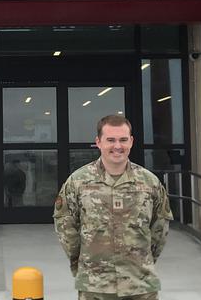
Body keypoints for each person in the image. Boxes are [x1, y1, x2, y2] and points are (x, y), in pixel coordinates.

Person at [53, 115, 173, 300]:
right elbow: (66, 229)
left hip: (140, 286)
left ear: (131, 142)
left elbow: (159, 230)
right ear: (98, 142)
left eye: (123, 140)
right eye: (111, 140)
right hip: (95, 287)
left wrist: (142, 261)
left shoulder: (150, 183)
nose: (118, 146)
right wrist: (84, 265)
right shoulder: (78, 182)